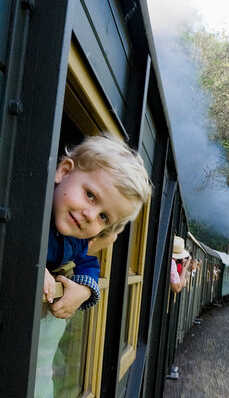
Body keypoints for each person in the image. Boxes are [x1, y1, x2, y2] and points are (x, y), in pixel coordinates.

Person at [44, 135, 152, 318]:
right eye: (90, 195)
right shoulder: (33, 208)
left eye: (103, 217)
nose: (90, 215)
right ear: (63, 171)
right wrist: (36, 266)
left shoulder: (76, 242)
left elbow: (88, 263)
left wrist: (84, 291)